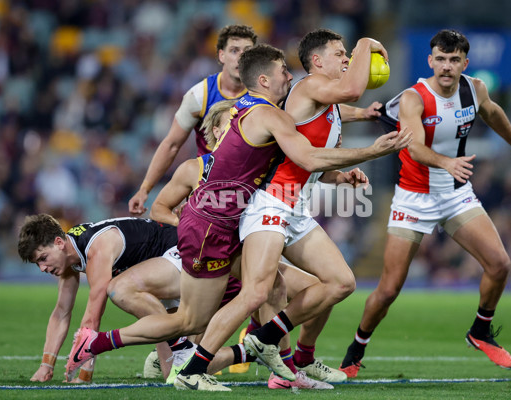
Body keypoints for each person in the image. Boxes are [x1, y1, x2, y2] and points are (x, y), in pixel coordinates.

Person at [65, 43, 410, 392]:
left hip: (237, 215)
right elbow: (307, 156)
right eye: (283, 73)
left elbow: (297, 155)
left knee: (295, 287)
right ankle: (205, 362)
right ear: (264, 79)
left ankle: (272, 355)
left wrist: (351, 143)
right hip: (217, 222)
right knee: (220, 307)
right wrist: (371, 149)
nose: (290, 78)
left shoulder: (255, 107)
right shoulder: (269, 114)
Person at [174, 34, 412, 390]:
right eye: (339, 53)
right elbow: (346, 97)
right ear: (316, 62)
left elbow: (311, 162)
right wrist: (366, 44)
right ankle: (194, 369)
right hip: (270, 201)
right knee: (254, 293)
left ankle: (268, 340)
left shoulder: (323, 106)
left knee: (341, 282)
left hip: (293, 203)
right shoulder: (309, 86)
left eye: (348, 53)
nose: (346, 59)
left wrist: (340, 175)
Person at [339, 29, 511, 377]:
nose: (446, 67)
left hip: (454, 194)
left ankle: (480, 331)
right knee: (388, 290)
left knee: (500, 263)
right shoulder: (413, 98)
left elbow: (492, 113)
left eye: (454, 60)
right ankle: (354, 352)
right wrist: (447, 162)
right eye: (441, 59)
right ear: (430, 61)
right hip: (413, 197)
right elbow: (413, 147)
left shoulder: (475, 89)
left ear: (465, 62)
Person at [149, 98, 339, 389]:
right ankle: (140, 349)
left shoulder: (257, 165)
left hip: (245, 245)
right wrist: (190, 224)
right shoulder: (194, 168)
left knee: (305, 289)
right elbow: (159, 208)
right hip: (209, 248)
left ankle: (287, 368)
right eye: (230, 123)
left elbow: (303, 166)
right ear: (214, 130)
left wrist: (340, 171)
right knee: (193, 321)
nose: (238, 128)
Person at [17, 215, 186, 382]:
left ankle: (173, 347)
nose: (42, 268)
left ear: (59, 243)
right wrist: (46, 365)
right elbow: (61, 312)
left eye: (43, 258)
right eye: (37, 263)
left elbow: (93, 317)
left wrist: (84, 374)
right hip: (162, 267)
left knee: (119, 290)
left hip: (181, 252)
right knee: (191, 357)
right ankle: (174, 347)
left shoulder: (96, 249)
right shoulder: (70, 254)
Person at [128, 24, 257, 216]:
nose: (241, 57)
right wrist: (145, 189)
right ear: (221, 55)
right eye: (234, 50)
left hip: (252, 188)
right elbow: (171, 144)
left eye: (247, 51)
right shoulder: (200, 95)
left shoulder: (264, 93)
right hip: (210, 189)